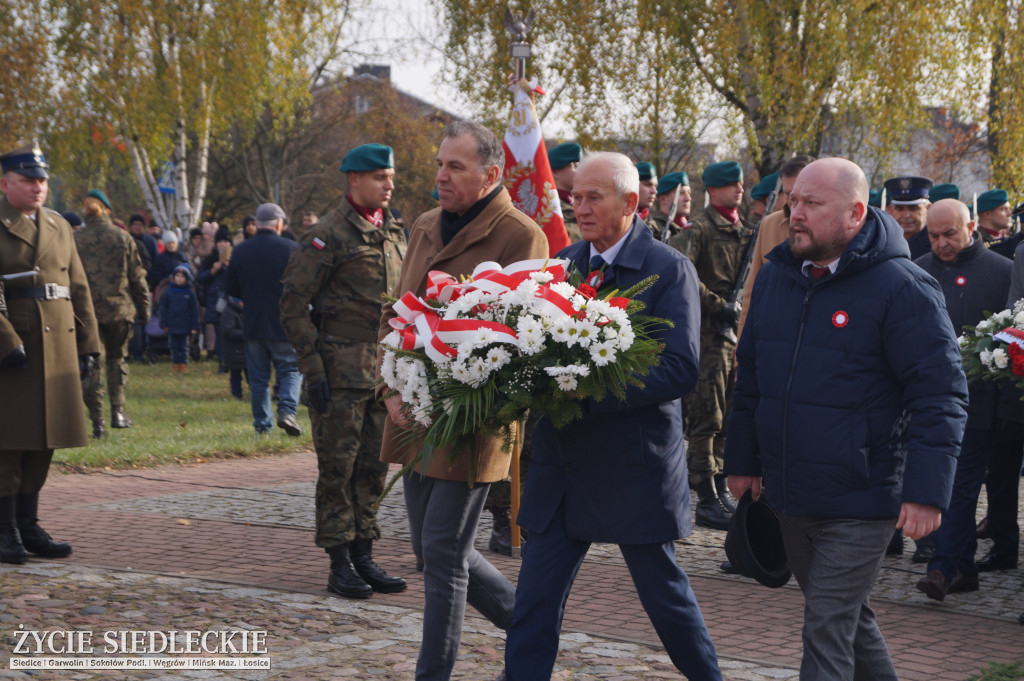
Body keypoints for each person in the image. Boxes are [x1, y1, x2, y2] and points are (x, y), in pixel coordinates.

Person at [726, 158, 968, 680]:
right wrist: (742, 460)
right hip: (791, 491)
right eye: (794, 202)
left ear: (856, 213)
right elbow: (750, 378)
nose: (795, 214)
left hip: (862, 495)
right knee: (847, 620)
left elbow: (941, 394)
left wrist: (927, 492)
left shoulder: (904, 288)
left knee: (826, 626)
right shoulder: (776, 279)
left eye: (812, 204)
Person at [504, 151, 721, 681]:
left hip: (634, 467)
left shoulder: (669, 269)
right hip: (564, 468)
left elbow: (678, 369)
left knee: (665, 600)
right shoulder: (564, 266)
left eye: (591, 197)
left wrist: (582, 391)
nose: (579, 206)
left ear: (630, 203)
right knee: (533, 601)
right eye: (574, 196)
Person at [377, 120, 547, 681]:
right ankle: (533, 628)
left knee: (445, 557)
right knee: (434, 552)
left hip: (470, 419)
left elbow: (527, 341)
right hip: (411, 411)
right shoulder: (426, 224)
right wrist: (389, 391)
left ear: (490, 173)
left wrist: (471, 399)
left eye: (455, 167)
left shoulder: (520, 235)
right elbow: (396, 314)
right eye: (439, 165)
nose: (440, 177)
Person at [280, 143, 408, 599]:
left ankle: (364, 555)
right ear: (354, 179)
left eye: (390, 176)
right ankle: (338, 564)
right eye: (379, 177)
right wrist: (312, 370)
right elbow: (293, 305)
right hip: (339, 370)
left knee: (373, 466)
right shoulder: (328, 234)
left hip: (383, 372)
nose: (389, 184)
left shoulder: (394, 232)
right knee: (339, 468)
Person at [0, 142, 100, 564]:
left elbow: (78, 287)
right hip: (16, 343)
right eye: (28, 180)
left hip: (57, 340)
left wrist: (89, 343)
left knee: (45, 439)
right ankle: (4, 530)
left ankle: (28, 524)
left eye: (42, 180)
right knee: (10, 441)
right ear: (5, 183)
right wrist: (5, 342)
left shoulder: (58, 225)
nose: (38, 187)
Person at [912, 199, 1015, 600]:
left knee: (961, 488)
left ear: (970, 226)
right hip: (930, 402)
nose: (941, 244)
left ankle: (940, 567)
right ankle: (964, 568)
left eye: (949, 234)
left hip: (980, 404)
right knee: (939, 484)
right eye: (934, 236)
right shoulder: (918, 271)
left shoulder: (1002, 272)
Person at [670, 160, 750, 530]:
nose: (738, 189)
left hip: (733, 335)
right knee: (707, 415)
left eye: (740, 184)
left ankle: (718, 487)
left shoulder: (742, 231)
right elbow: (683, 276)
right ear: (712, 190)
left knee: (728, 416)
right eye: (730, 184)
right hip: (707, 335)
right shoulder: (699, 229)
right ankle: (703, 495)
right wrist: (721, 306)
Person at [73, 188, 150, 436]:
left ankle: (98, 422)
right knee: (117, 360)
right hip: (120, 311)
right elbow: (137, 277)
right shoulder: (123, 237)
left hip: (86, 314)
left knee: (92, 365)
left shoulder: (75, 240)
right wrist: (145, 308)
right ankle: (118, 411)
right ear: (106, 209)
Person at [225, 202, 302, 436]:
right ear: (279, 224)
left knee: (258, 378)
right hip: (284, 324)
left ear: (257, 225)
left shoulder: (241, 250)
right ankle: (287, 411)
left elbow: (231, 288)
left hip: (253, 323)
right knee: (290, 370)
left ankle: (262, 426)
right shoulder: (291, 248)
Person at [738, 155, 816, 338]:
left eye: (799, 193)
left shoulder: (827, 227)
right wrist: (741, 348)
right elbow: (751, 292)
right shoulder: (769, 225)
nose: (792, 201)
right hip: (772, 334)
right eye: (788, 194)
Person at [158, 265, 199, 373]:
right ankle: (176, 364)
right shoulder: (168, 292)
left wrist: (195, 326)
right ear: (173, 277)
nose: (180, 278)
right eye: (177, 276)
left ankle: (184, 364)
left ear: (186, 278)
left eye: (182, 276)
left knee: (184, 346)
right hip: (172, 325)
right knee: (174, 346)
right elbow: (163, 309)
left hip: (185, 326)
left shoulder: (190, 293)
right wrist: (163, 324)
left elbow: (194, 311)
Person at [883, 174, 933, 260]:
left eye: (914, 208)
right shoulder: (883, 244)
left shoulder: (936, 245)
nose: (906, 215)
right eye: (899, 209)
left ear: (928, 208)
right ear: (890, 210)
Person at [548, 141, 583, 243]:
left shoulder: (582, 202)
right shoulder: (548, 208)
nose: (580, 171)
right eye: (574, 166)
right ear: (555, 173)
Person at [647, 171, 692, 244]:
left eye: (689, 193)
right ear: (663, 199)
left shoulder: (692, 227)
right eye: (681, 193)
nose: (688, 198)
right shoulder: (653, 229)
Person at [219, 296, 246, 399]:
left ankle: (255, 394)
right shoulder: (229, 313)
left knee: (250, 374)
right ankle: (237, 395)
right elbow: (228, 332)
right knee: (235, 375)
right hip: (233, 350)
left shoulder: (247, 311)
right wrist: (246, 334)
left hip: (244, 349)